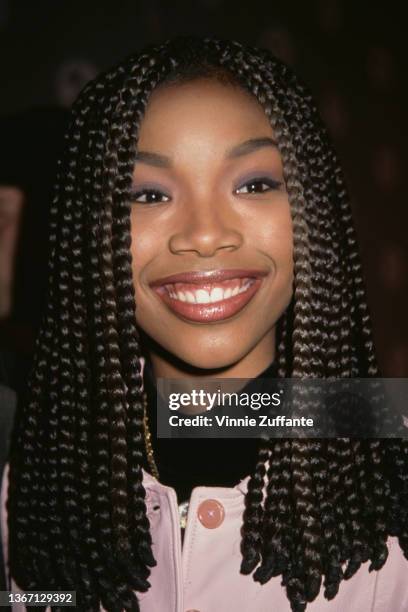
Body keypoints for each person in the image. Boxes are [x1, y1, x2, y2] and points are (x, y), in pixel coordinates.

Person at [1, 35, 407, 612]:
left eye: (255, 184)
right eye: (146, 193)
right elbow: (39, 599)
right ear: (88, 233)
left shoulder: (388, 449)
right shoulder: (38, 474)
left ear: (314, 210)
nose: (205, 234)